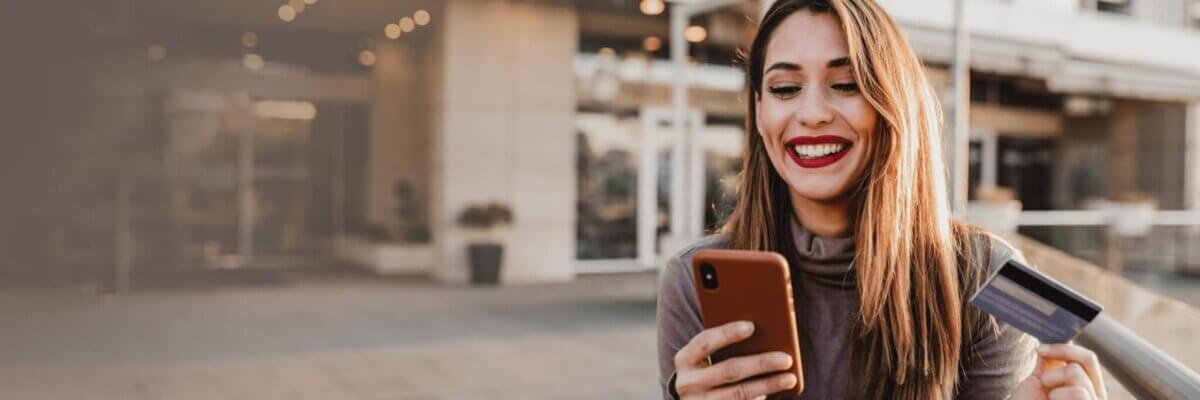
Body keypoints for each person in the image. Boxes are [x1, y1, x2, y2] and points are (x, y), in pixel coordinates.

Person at [655, 1, 1107, 399]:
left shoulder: (988, 276)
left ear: (891, 104)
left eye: (846, 84)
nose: (811, 113)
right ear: (758, 110)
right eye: (785, 88)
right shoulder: (692, 282)